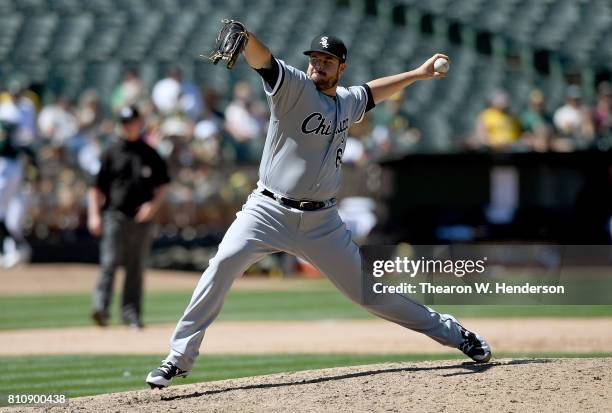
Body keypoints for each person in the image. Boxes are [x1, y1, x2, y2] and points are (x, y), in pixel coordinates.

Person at [146, 30, 491, 389]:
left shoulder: (347, 101)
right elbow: (264, 61)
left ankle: (455, 334)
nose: (318, 65)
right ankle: (178, 358)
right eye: (314, 58)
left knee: (367, 294)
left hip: (322, 222)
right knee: (221, 266)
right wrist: (247, 40)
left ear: (342, 67)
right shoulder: (294, 87)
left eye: (326, 61)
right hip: (266, 211)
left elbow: (373, 92)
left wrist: (417, 74)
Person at [88, 106, 170, 329]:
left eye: (131, 122)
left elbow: (163, 185)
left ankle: (131, 313)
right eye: (124, 122)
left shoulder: (150, 153)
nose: (128, 126)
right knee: (109, 262)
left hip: (142, 219)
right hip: (115, 214)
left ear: (139, 122)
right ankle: (101, 309)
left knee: (135, 267)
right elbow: (96, 188)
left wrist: (152, 208)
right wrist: (94, 215)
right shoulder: (111, 151)